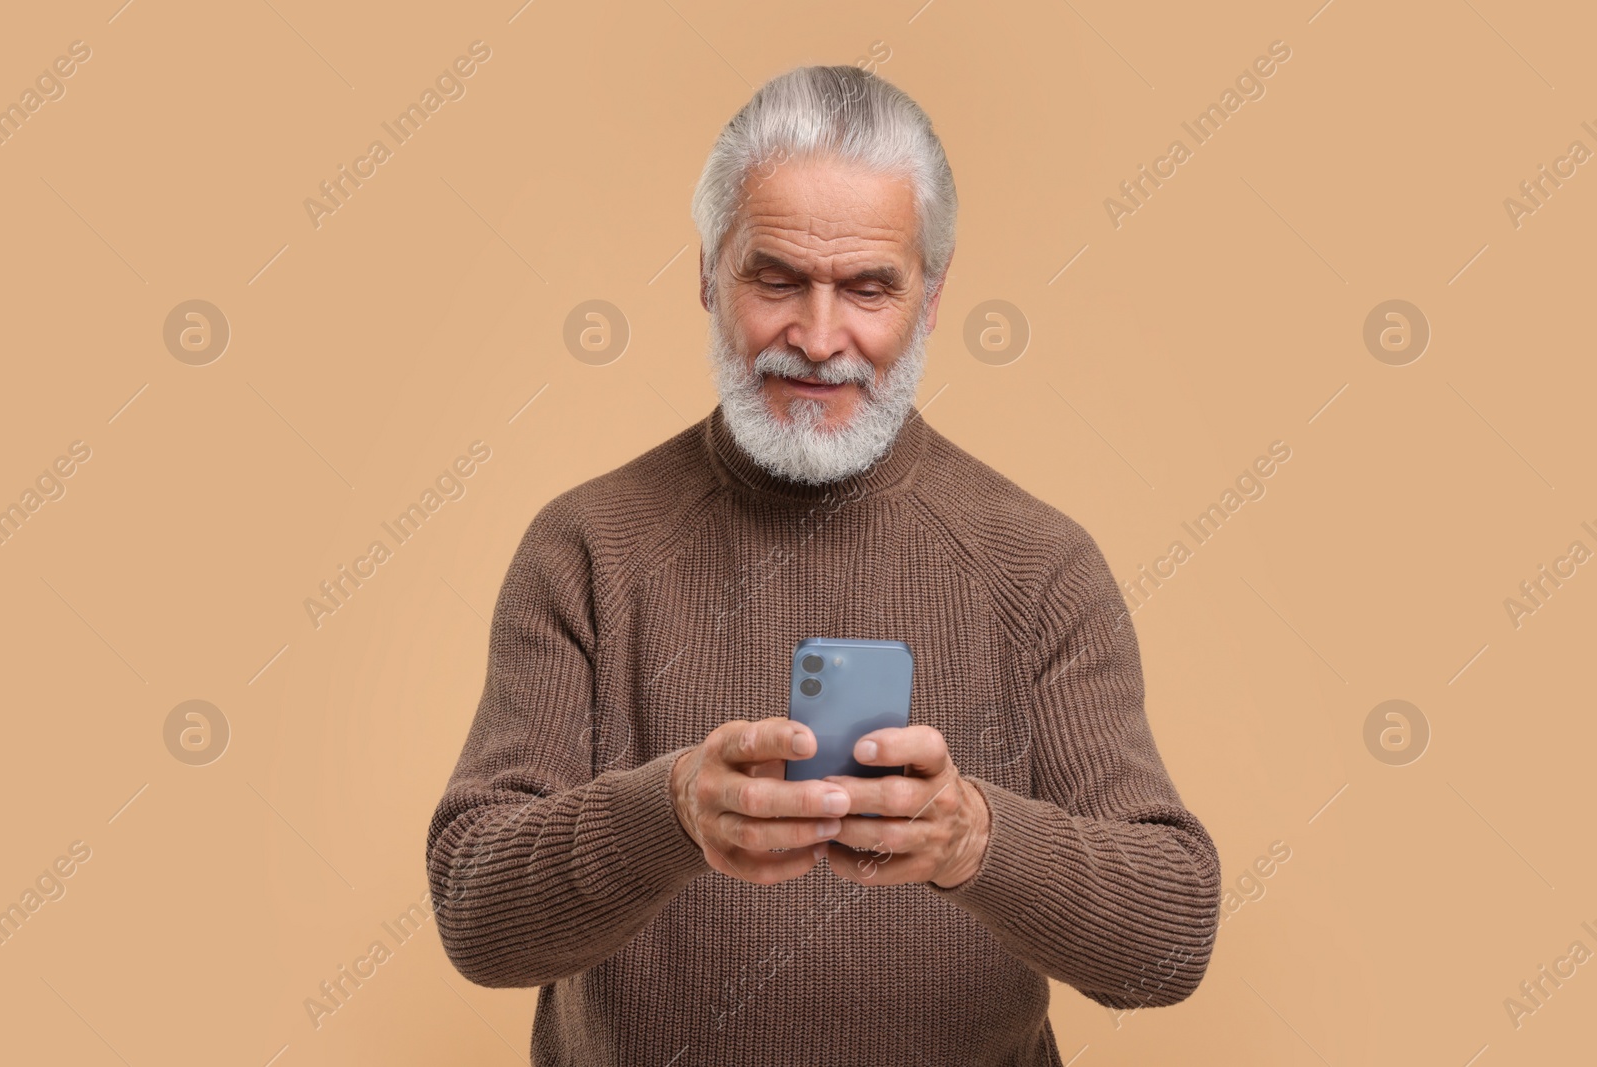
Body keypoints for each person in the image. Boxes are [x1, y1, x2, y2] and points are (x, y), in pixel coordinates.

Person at [426, 63, 1220, 1066]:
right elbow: (477, 917)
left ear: (929, 300)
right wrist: (669, 810)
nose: (816, 335)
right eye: (776, 278)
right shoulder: (584, 547)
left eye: (868, 287)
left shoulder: (1040, 565)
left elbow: (1170, 939)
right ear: (708, 273)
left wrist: (976, 840)